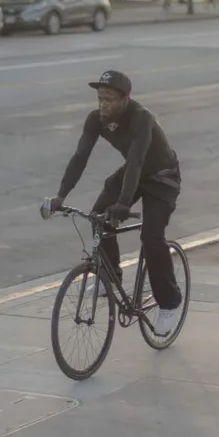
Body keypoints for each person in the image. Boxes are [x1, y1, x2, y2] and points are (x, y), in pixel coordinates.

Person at [44, 70, 183, 336]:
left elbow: (136, 161)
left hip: (162, 179)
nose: (102, 104)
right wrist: (61, 196)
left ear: (125, 99)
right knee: (98, 216)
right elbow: (80, 157)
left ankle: (169, 303)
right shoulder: (96, 119)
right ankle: (109, 278)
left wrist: (123, 203)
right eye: (99, 98)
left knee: (152, 239)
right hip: (133, 173)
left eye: (109, 99)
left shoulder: (141, 118)